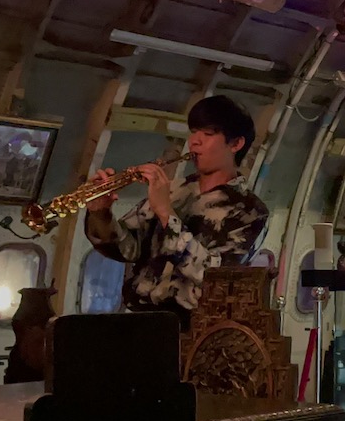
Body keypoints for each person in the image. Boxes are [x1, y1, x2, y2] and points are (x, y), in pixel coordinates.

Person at [85, 95, 270, 327]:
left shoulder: (251, 211)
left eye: (208, 134)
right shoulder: (174, 190)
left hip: (191, 329)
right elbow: (127, 249)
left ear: (236, 144)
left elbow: (215, 277)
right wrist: (101, 214)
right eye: (194, 132)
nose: (195, 142)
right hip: (140, 319)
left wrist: (165, 213)